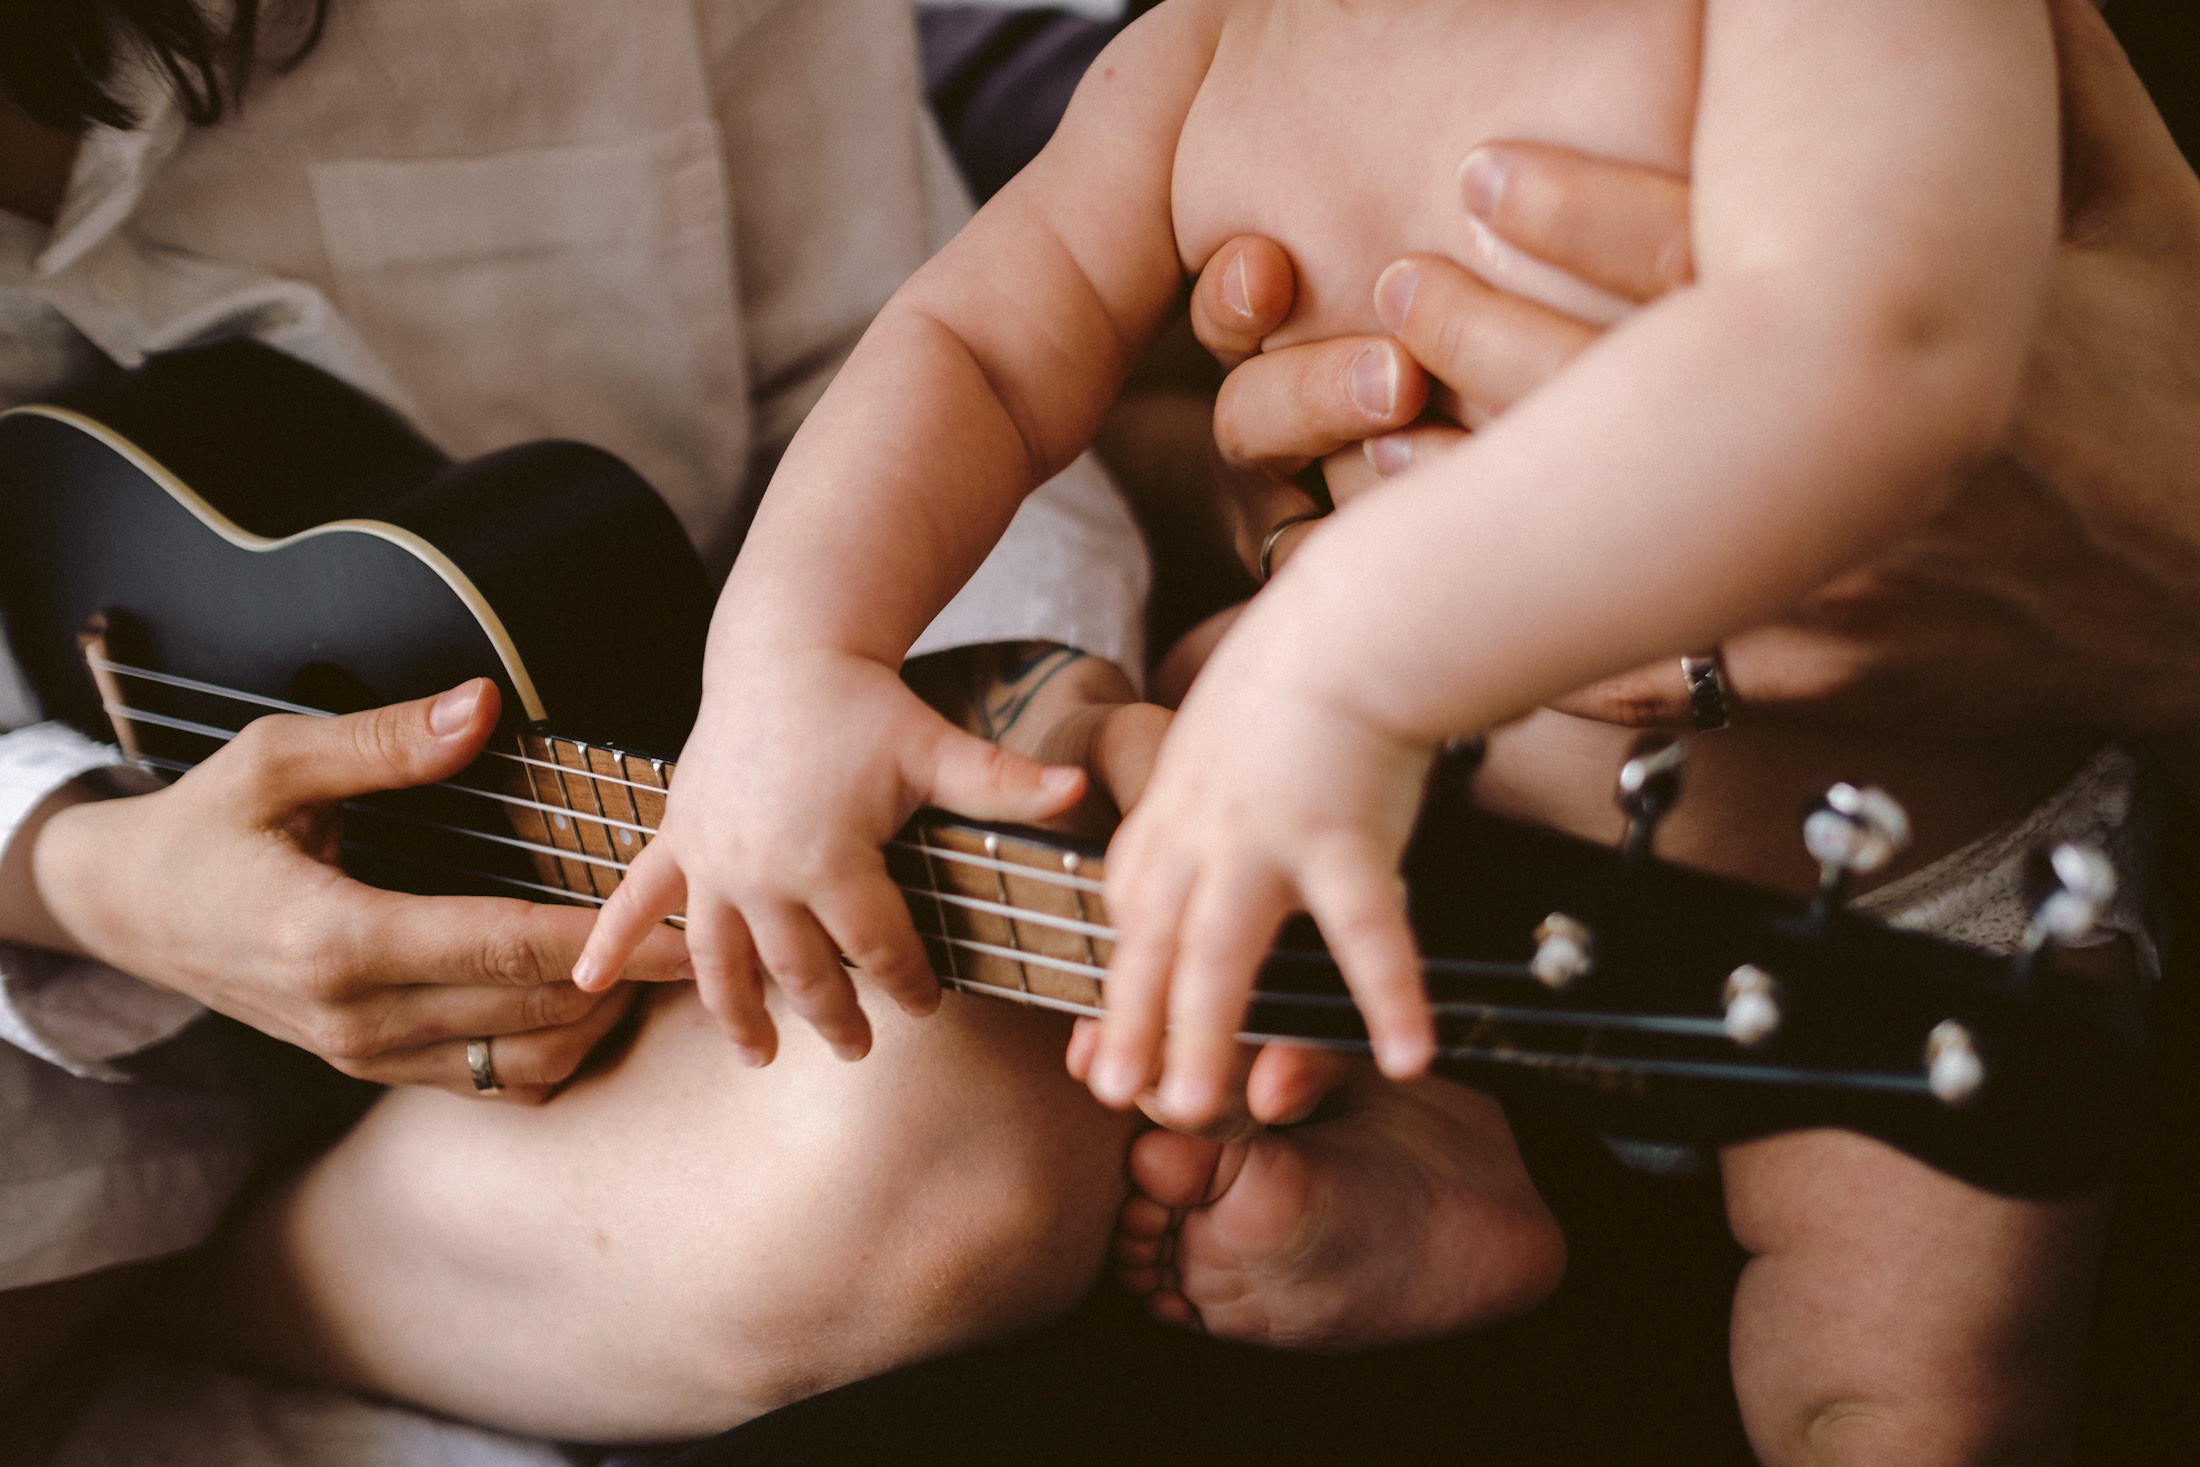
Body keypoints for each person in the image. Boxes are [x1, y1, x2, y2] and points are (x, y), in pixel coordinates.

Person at [576, 0, 2156, 1460]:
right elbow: (979, 350)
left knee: (1891, 1391)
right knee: (1196, 882)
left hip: (1896, 927)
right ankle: (1437, 1138)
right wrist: (792, 650)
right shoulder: (1227, 38)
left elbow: (1881, 342)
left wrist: (1337, 665)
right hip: (1423, 891)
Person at [0, 0, 1162, 1439]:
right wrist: (79, 877)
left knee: (959, 1158)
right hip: (46, 1015)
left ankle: (223, 1286)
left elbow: (929, 367)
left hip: (636, 941)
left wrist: (1018, 719)